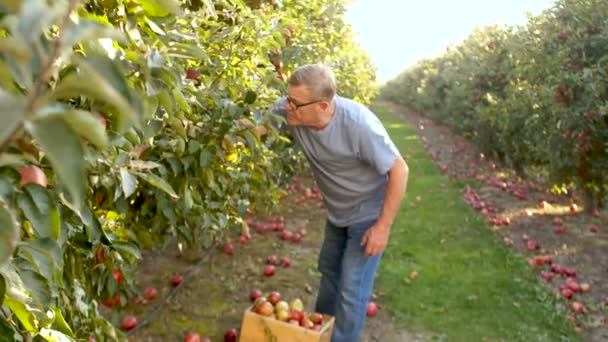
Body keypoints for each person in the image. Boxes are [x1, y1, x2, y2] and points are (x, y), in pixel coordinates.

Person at [264, 63, 409, 341]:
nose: (287, 107)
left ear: (322, 106)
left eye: (295, 103)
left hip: (368, 214)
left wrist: (383, 227)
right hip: (337, 212)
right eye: (287, 99)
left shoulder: (358, 124)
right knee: (329, 273)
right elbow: (255, 126)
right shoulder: (292, 110)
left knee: (351, 289)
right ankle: (319, 333)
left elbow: (399, 170)